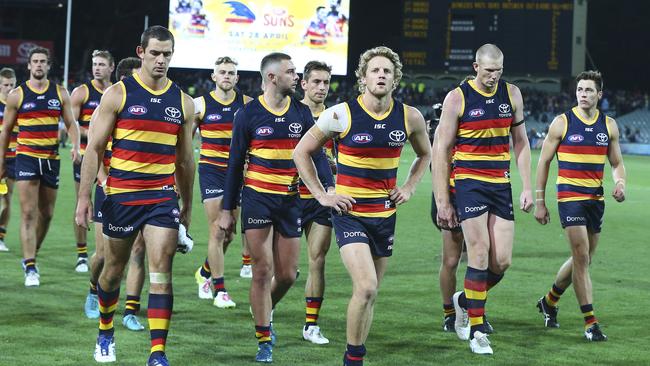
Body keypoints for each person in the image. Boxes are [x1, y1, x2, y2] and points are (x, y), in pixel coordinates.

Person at [293, 46, 431, 366]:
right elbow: (301, 152)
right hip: (349, 214)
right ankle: (353, 359)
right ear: (363, 77)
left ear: (395, 79)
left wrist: (409, 187)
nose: (381, 75)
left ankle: (355, 356)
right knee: (366, 287)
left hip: (385, 216)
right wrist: (322, 194)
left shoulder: (410, 116)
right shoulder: (340, 114)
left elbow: (426, 154)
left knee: (370, 295)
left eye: (387, 71)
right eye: (375, 70)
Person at [75, 26, 195, 366]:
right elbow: (94, 150)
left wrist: (185, 206)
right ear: (141, 52)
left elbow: (185, 160)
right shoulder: (118, 93)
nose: (161, 60)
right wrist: (84, 198)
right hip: (121, 197)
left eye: (167, 54)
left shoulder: (182, 102)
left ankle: (157, 352)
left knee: (161, 272)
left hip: (161, 199)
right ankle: (105, 332)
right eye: (155, 53)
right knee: (112, 270)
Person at [218, 52, 333, 363]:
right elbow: (234, 164)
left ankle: (263, 309)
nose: (296, 77)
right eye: (291, 72)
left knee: (287, 274)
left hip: (290, 200)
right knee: (262, 271)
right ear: (272, 77)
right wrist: (227, 210)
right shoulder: (248, 114)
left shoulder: (301, 113)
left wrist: (328, 188)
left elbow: (318, 155)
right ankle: (264, 337)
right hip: (258, 200)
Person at [432, 44, 533, 354]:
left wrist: (528, 186)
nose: (494, 76)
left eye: (499, 71)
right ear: (475, 67)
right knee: (477, 250)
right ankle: (476, 331)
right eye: (488, 70)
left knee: (501, 260)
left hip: (500, 184)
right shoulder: (457, 98)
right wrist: (442, 201)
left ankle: (466, 299)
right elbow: (440, 149)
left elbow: (521, 143)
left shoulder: (512, 94)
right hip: (468, 183)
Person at [534, 70, 626, 342]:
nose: (583, 94)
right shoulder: (562, 123)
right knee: (582, 257)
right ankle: (590, 323)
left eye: (588, 90)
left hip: (595, 200)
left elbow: (617, 163)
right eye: (580, 90)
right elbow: (544, 162)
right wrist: (540, 201)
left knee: (582, 259)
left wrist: (620, 183)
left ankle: (549, 302)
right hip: (569, 198)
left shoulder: (609, 126)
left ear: (599, 94)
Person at [0, 47, 81, 287]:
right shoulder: (17, 94)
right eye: (34, 61)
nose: (38, 65)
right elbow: (5, 131)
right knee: (28, 213)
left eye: (42, 61)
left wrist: (75, 145)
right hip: (26, 157)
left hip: (51, 159)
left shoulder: (60, 93)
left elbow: (71, 123)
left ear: (48, 65)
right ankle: (31, 265)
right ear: (28, 65)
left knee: (47, 215)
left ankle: (30, 254)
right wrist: (2, 160)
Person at [83, 57, 149, 333]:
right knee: (104, 254)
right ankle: (92, 291)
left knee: (138, 251)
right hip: (108, 189)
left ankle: (131, 310)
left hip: (140, 191)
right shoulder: (107, 108)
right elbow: (94, 151)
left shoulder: (145, 110)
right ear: (124, 80)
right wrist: (103, 181)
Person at [192, 55, 252, 308]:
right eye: (222, 72)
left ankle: (204, 272)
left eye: (231, 73)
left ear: (237, 78)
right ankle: (220, 290)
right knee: (218, 229)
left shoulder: (248, 104)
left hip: (237, 173)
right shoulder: (200, 105)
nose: (226, 76)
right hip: (212, 172)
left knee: (230, 234)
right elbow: (185, 141)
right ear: (214, 77)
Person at [298, 60, 335, 345]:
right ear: (304, 84)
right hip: (288, 197)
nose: (322, 87)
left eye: (326, 82)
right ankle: (266, 310)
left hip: (321, 199)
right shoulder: (291, 113)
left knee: (317, 260)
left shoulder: (337, 117)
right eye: (317, 82)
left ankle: (311, 324)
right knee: (279, 268)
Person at [70, 50, 115, 273]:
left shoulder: (117, 93)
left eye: (101, 64)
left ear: (111, 68)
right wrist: (79, 141)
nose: (96, 68)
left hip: (112, 159)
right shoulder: (82, 92)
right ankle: (81, 254)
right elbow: (72, 123)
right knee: (83, 201)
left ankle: (107, 251)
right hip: (86, 157)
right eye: (94, 64)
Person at [0, 67, 18, 252]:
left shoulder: (17, 105)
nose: (9, 88)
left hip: (13, 158)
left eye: (12, 84)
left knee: (7, 199)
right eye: (5, 85)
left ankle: (1, 235)